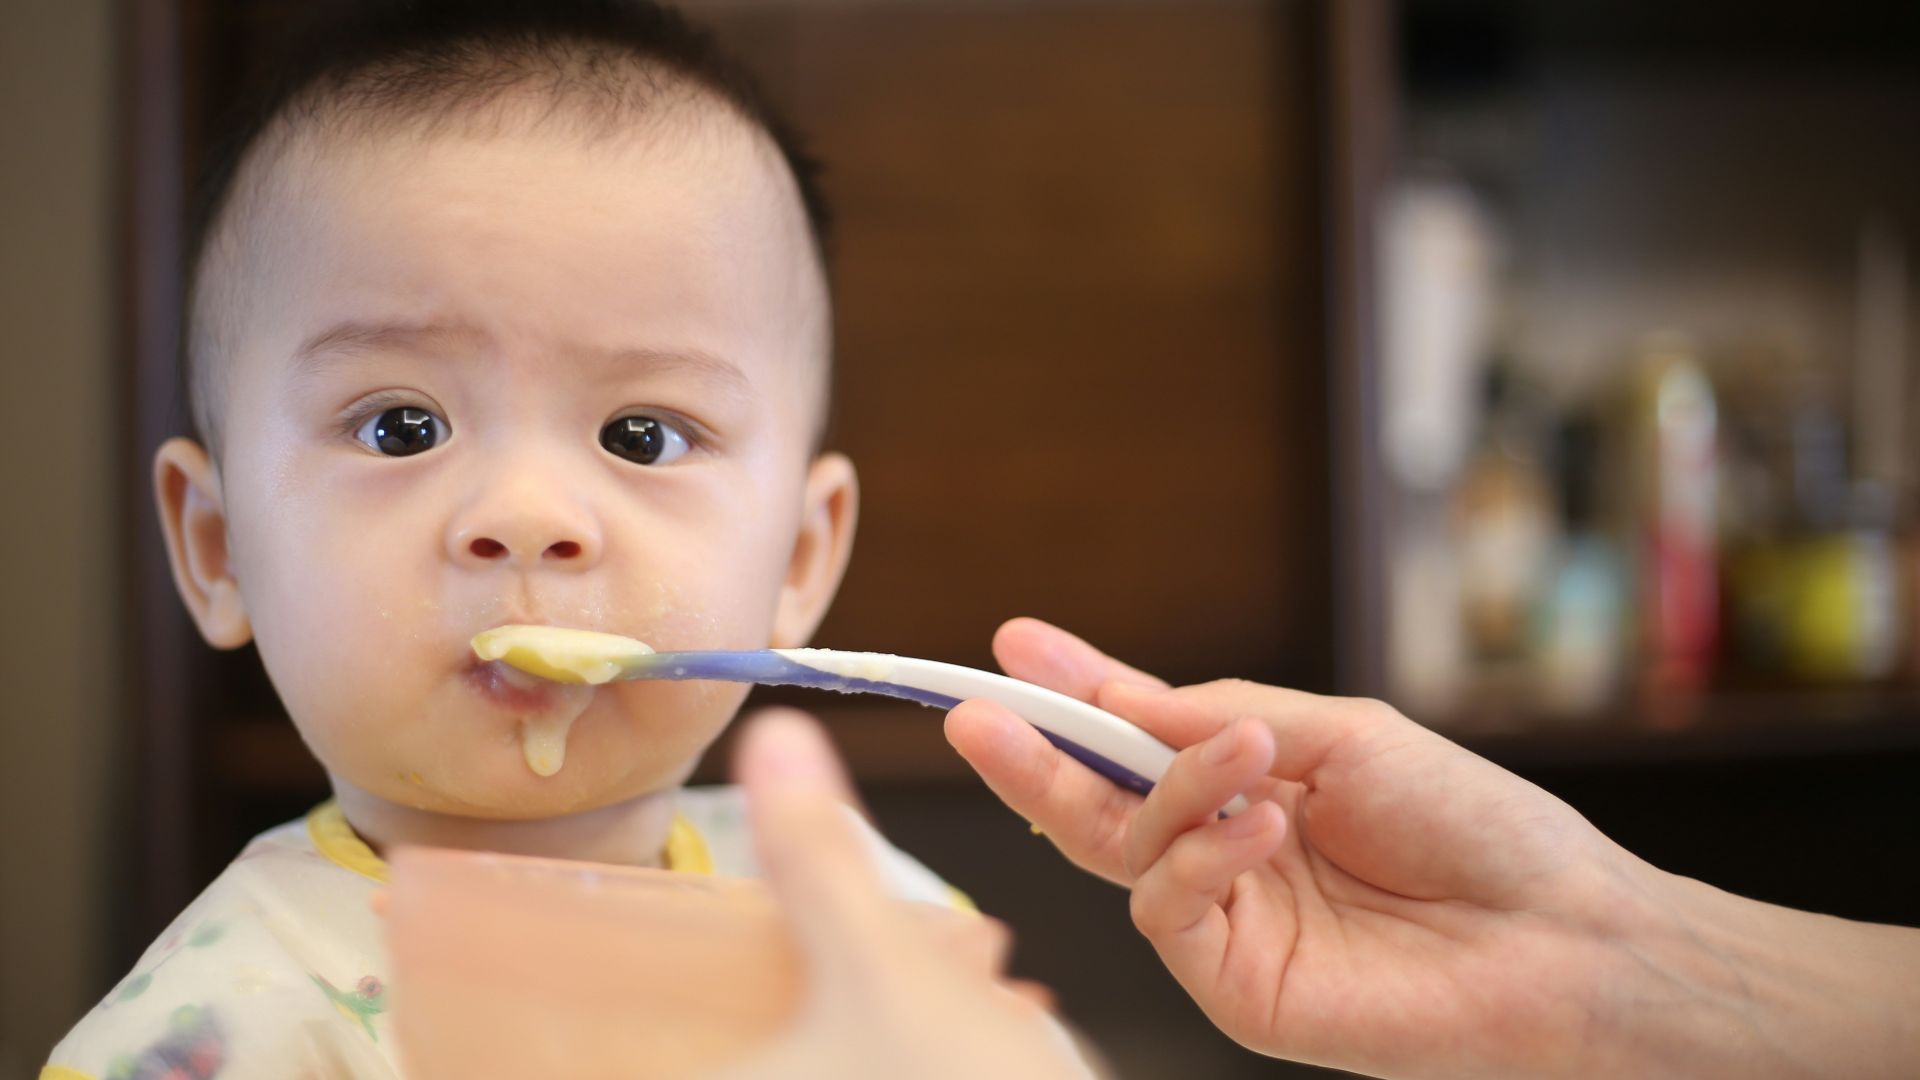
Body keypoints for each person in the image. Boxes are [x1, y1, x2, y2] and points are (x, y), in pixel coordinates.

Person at [43, 3, 976, 1078]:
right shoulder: (214, 1039)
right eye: (403, 427)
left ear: (800, 559)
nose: (527, 515)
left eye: (641, 435)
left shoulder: (864, 923)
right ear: (218, 549)